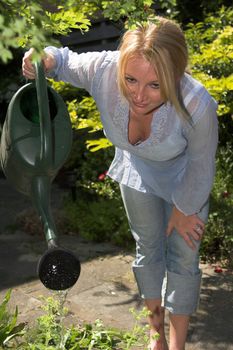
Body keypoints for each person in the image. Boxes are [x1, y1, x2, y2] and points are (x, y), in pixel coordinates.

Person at [22, 16, 218, 350]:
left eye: (155, 85)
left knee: (184, 257)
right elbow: (63, 60)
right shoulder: (104, 70)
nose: (139, 95)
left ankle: (177, 343)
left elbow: (202, 164)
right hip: (137, 172)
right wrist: (45, 58)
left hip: (187, 180)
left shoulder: (197, 104)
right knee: (148, 249)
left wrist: (186, 209)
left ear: (175, 75)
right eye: (131, 80)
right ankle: (155, 336)